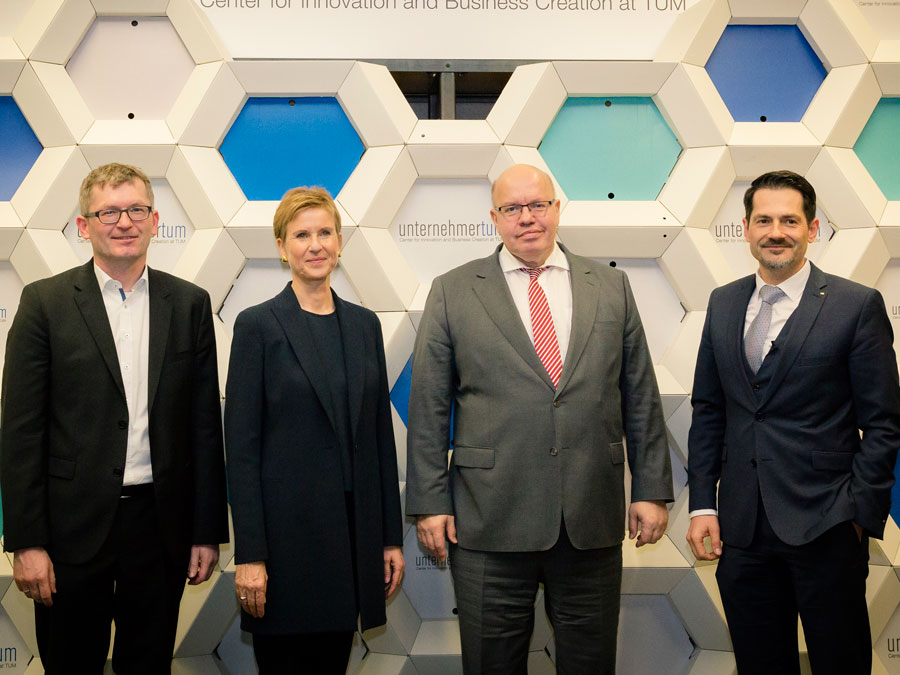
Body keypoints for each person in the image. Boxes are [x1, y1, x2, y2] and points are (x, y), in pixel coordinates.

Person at [406, 163, 673, 674]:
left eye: (537, 205)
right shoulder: (453, 290)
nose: (527, 218)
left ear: (556, 208)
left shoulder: (611, 286)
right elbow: (429, 407)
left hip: (589, 518)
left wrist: (650, 489)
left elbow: (639, 395)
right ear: (494, 217)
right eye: (512, 208)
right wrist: (428, 503)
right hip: (487, 520)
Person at [0, 162, 228, 674]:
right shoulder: (44, 303)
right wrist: (26, 542)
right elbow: (19, 433)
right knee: (70, 664)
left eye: (136, 210)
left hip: (160, 528)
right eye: (108, 211)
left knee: (147, 666)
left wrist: (205, 530)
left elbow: (202, 428)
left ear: (154, 220)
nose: (124, 222)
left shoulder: (190, 304)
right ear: (84, 226)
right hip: (68, 534)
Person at [686, 170, 900, 675]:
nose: (775, 231)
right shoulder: (723, 302)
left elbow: (884, 421)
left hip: (827, 524)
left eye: (789, 220)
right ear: (746, 228)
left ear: (813, 228)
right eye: (764, 220)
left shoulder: (855, 305)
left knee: (840, 664)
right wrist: (701, 504)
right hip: (742, 527)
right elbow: (709, 409)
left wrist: (858, 515)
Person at [224, 186, 404, 674]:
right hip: (284, 551)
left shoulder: (365, 326)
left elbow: (379, 442)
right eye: (301, 234)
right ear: (282, 247)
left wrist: (389, 539)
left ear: (340, 242)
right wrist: (251, 554)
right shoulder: (257, 326)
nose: (315, 244)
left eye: (325, 232)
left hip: (351, 543)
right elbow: (241, 451)